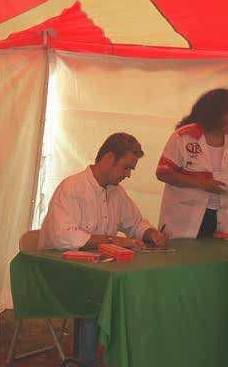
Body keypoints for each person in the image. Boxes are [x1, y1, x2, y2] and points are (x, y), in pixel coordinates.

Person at [39, 132, 166, 365]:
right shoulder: (72, 188)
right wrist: (111, 241)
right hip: (59, 275)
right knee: (97, 299)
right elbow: (61, 236)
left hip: (97, 273)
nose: (128, 175)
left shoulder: (116, 192)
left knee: (134, 292)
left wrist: (150, 233)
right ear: (108, 158)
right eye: (126, 168)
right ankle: (88, 362)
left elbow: (135, 223)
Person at [156, 88, 228, 239]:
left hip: (221, 218)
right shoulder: (184, 136)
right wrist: (201, 183)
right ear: (215, 114)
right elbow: (163, 173)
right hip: (183, 219)